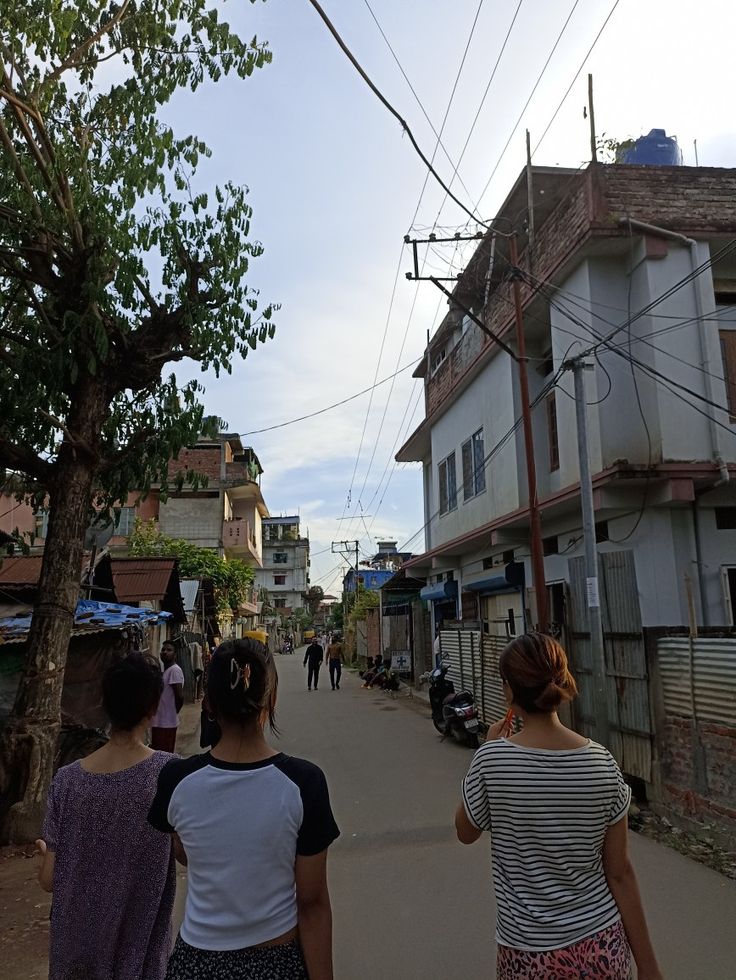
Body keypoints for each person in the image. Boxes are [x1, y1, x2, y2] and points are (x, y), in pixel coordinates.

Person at [455, 632, 663, 980]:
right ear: (561, 681)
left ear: (508, 691)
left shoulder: (491, 760)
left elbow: (465, 832)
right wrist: (649, 966)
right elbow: (620, 871)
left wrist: (484, 753)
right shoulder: (602, 763)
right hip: (601, 945)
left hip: (527, 953)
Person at [148, 638, 339, 980]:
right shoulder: (304, 783)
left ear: (208, 704)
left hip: (196, 965)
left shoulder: (176, 780)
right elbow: (312, 904)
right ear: (272, 699)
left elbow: (184, 848)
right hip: (276, 964)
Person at [35, 654, 176, 980]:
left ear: (104, 703)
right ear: (153, 708)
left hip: (75, 959)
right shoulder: (169, 773)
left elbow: (48, 880)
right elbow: (186, 851)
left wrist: (45, 856)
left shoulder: (67, 781)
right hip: (139, 960)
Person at [151, 640, 184, 751]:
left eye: (169, 650)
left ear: (175, 654)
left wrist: (173, 712)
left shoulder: (174, 670)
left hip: (166, 723)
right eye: (163, 649)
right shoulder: (166, 671)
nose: (165, 652)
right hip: (160, 721)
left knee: (164, 756)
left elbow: (179, 696)